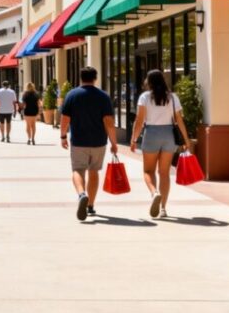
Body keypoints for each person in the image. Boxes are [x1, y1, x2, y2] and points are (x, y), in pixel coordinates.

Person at [129, 69, 191, 219]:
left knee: (148, 171)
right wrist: (186, 140)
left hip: (151, 134)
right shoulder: (173, 97)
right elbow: (179, 120)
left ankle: (154, 193)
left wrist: (134, 139)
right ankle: (163, 208)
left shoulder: (144, 97)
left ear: (148, 82)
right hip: (169, 135)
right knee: (164, 173)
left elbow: (139, 120)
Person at [60, 67, 118, 221]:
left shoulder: (72, 95)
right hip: (99, 141)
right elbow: (109, 122)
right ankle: (90, 205)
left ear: (80, 78)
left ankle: (81, 194)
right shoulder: (103, 96)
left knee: (78, 170)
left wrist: (63, 136)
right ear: (95, 78)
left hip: (79, 141)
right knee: (94, 172)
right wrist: (114, 142)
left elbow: (65, 119)